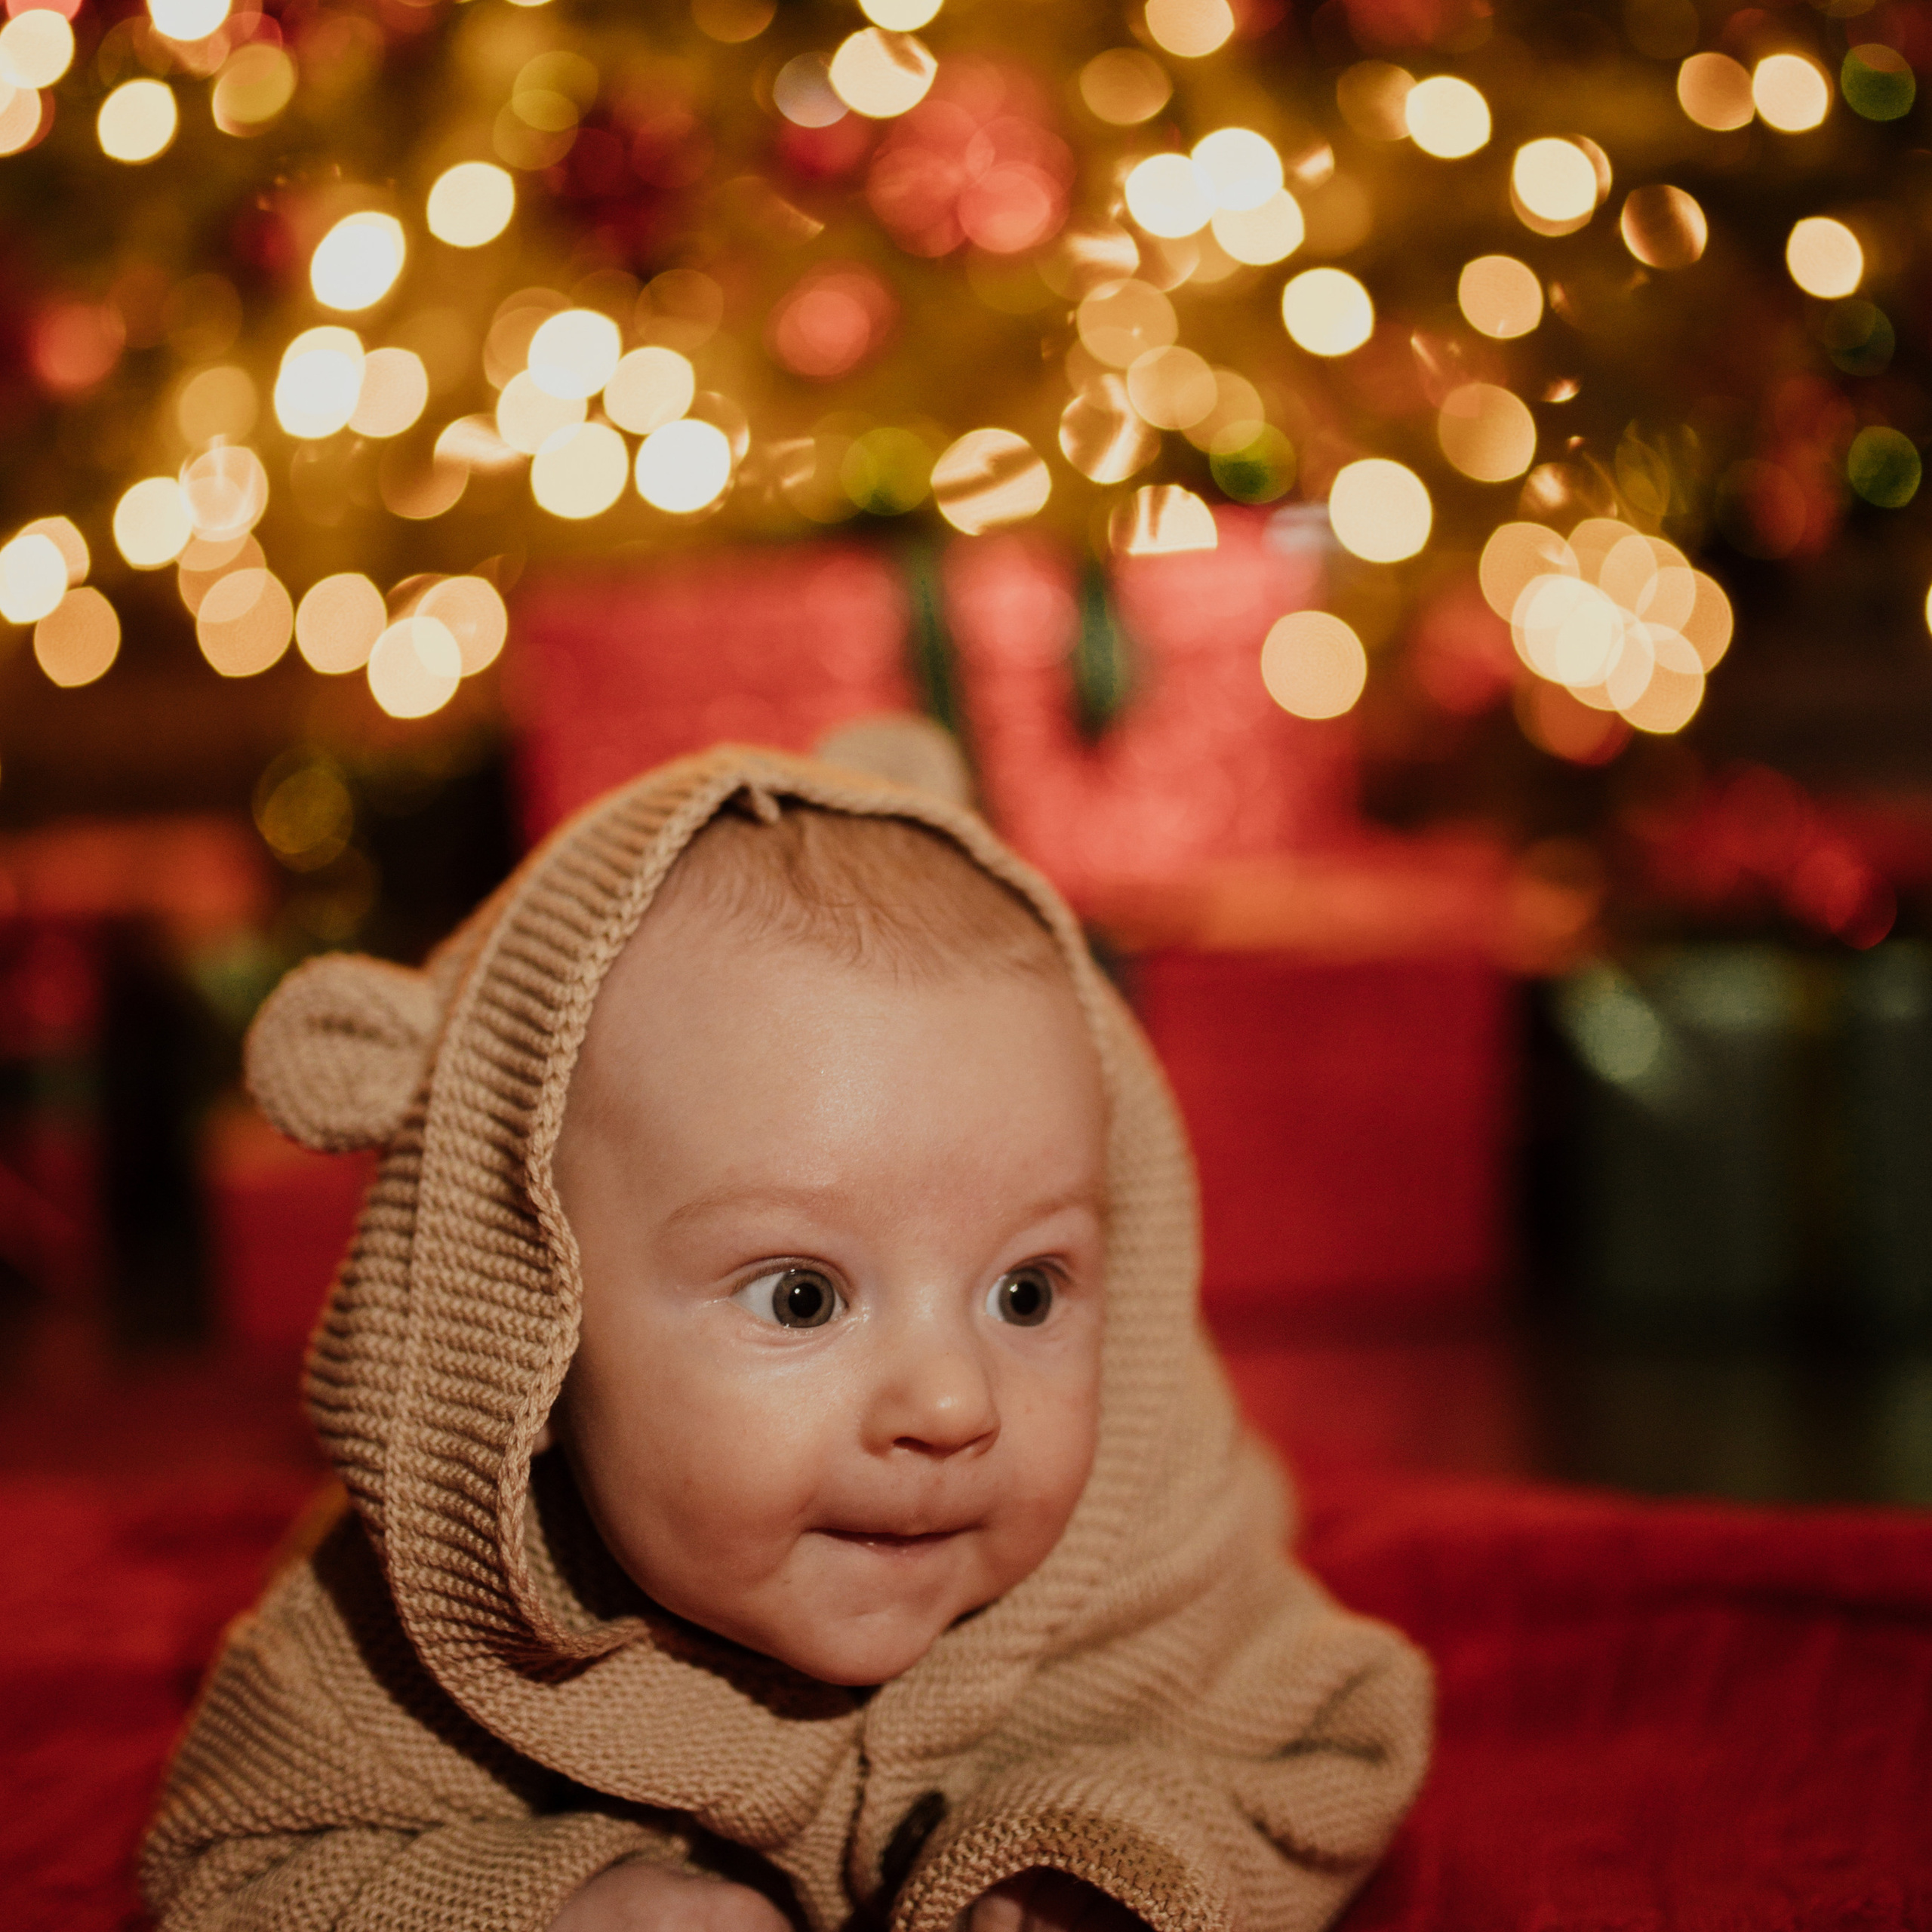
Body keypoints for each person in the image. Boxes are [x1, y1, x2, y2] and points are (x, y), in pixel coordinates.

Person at [141, 741, 1431, 1932]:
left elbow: (1326, 1750)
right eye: (802, 1297)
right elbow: (233, 1871)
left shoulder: (1145, 1567)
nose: (951, 1402)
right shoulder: (405, 1649)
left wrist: (1099, 1864)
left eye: (1026, 1293)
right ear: (533, 1323)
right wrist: (564, 1907)